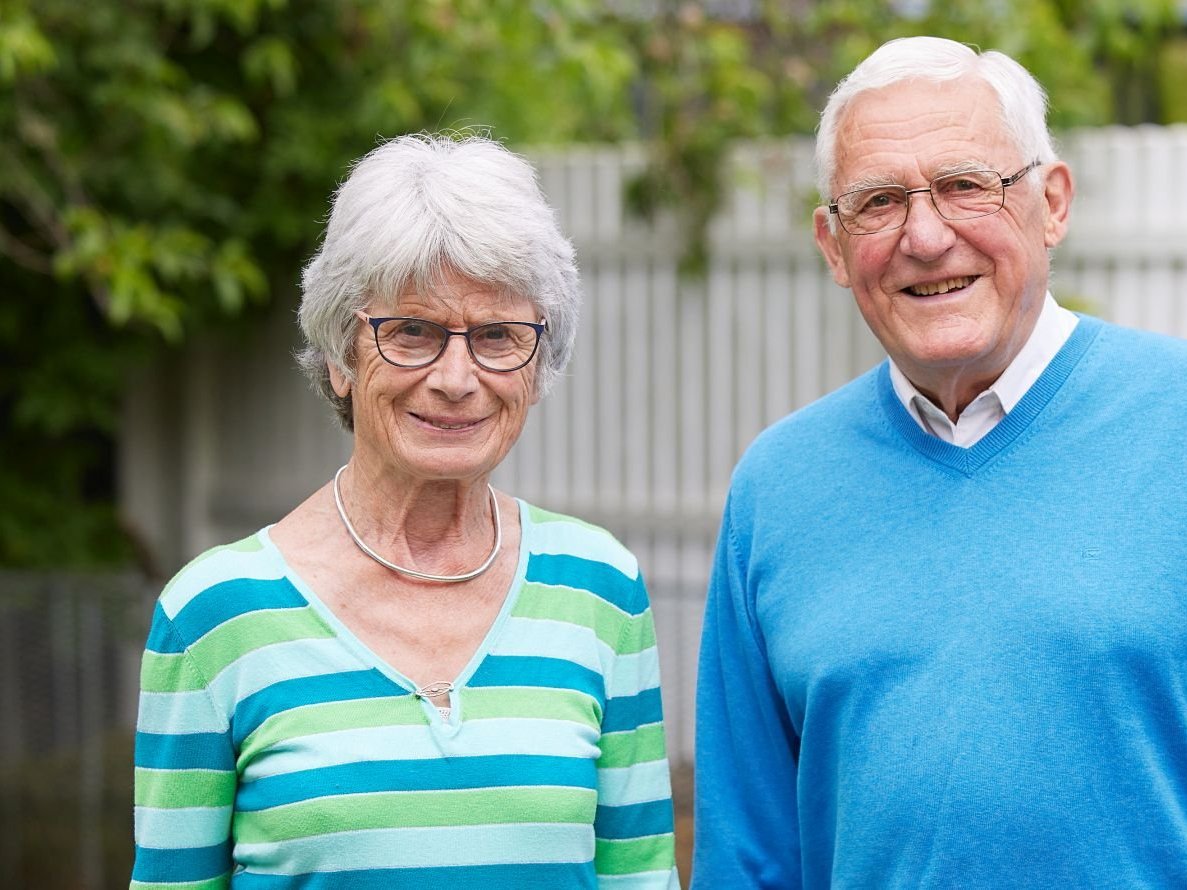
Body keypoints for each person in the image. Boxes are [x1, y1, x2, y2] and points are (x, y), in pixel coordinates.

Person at [693, 36, 1187, 888]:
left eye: (965, 185)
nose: (925, 236)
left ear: (1052, 202)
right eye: (878, 202)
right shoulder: (777, 488)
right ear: (833, 245)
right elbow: (749, 851)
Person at [131, 133, 680, 889]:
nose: (457, 378)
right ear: (339, 354)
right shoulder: (214, 615)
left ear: (539, 366)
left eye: (496, 336)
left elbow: (638, 877)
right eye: (412, 331)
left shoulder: (599, 589)